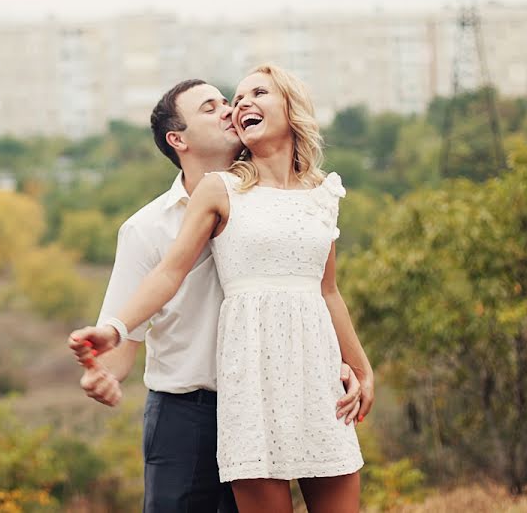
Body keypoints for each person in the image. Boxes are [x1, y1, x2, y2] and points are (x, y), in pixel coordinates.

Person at [74, 76, 373, 512]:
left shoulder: (318, 195)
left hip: (299, 384)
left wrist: (356, 366)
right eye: (214, 107)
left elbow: (326, 291)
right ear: (179, 139)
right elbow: (159, 285)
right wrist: (110, 346)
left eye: (235, 101)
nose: (232, 110)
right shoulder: (150, 226)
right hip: (191, 409)